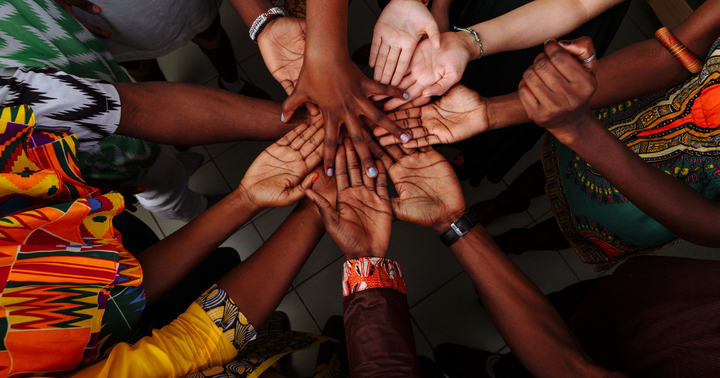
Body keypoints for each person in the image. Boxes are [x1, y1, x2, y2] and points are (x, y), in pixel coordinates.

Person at [377, 0, 720, 268]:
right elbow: (673, 53)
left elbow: (710, 226)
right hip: (630, 114)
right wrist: (475, 65)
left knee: (570, 225)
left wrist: (578, 129)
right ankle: (503, 204)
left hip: (657, 198)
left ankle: (516, 242)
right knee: (549, 168)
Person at [0, 115, 327, 377]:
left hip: (93, 271)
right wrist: (316, 208)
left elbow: (113, 292)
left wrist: (246, 199)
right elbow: (185, 347)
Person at [360, 131, 632, 377]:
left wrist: (365, 256)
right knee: (571, 314)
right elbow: (571, 367)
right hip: (624, 306)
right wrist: (453, 221)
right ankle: (494, 366)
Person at [376, 0, 630, 187]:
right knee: (422, 62)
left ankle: (466, 152)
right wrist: (440, 7)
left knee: (497, 87)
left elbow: (577, 4)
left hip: (540, 21)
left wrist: (467, 43)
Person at [57, 0, 272, 100]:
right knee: (140, 65)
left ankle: (233, 84)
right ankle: (174, 112)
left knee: (210, 32)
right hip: (105, 12)